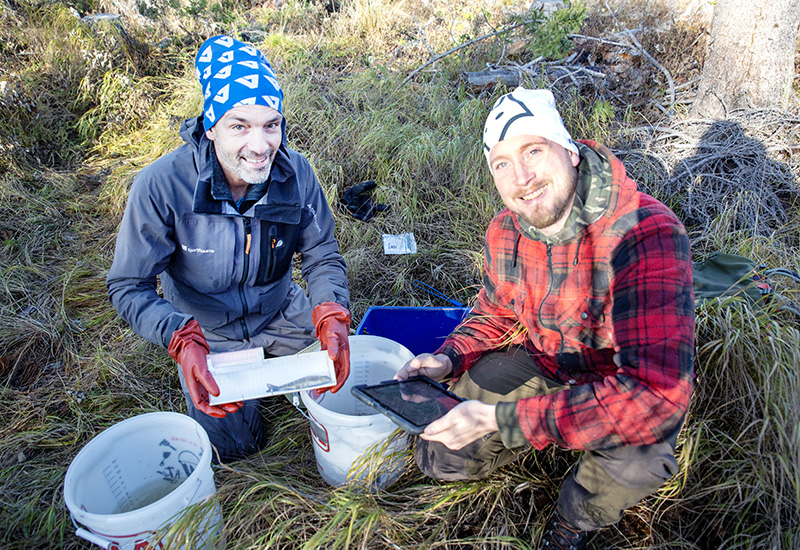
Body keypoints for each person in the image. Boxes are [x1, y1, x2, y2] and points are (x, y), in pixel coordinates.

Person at [396, 88, 694, 549]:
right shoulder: (505, 231)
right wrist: (447, 359)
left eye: (533, 151)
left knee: (639, 460)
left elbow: (656, 397)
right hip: (545, 363)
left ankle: (575, 516)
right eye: (502, 164)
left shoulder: (643, 232)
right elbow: (493, 312)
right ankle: (534, 437)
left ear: (569, 152)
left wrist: (502, 420)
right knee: (440, 455)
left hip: (613, 386)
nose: (522, 178)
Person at [107, 35, 351, 462]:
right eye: (239, 125)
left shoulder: (297, 176)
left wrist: (330, 312)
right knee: (236, 448)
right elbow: (128, 285)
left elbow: (322, 255)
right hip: (207, 332)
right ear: (211, 124)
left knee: (349, 378)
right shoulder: (162, 186)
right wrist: (181, 338)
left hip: (279, 309)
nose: (260, 147)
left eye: (271, 125)